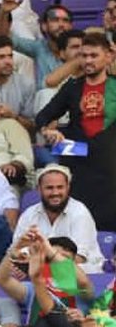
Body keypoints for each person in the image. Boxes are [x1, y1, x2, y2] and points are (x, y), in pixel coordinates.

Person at [36, 32, 116, 231]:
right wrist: (48, 132)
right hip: (79, 165)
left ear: (108, 56)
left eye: (94, 55)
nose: (88, 61)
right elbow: (42, 117)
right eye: (84, 55)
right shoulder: (72, 87)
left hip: (111, 167)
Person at [12, 164, 104, 273]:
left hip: (81, 277)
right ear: (39, 189)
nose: (55, 193)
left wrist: (36, 261)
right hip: (39, 275)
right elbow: (15, 251)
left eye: (60, 187)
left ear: (68, 188)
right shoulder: (29, 214)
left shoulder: (80, 212)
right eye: (49, 188)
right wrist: (21, 264)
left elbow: (79, 258)